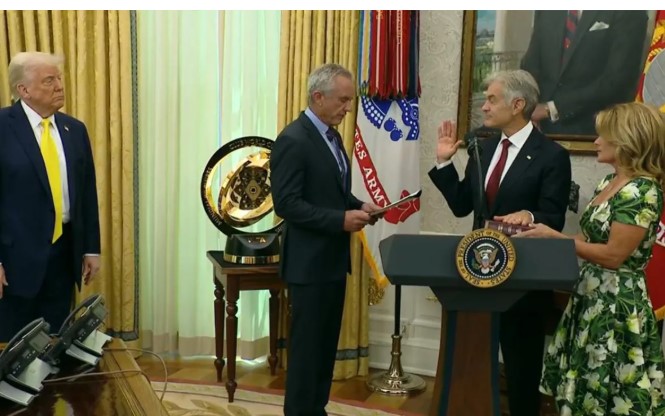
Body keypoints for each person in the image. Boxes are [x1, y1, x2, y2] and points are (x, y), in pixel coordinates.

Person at [428, 69, 572, 416]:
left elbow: (553, 218)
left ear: (518, 104)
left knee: (521, 369)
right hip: (477, 272)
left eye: (492, 99)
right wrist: (444, 162)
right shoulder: (484, 147)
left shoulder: (551, 155)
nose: (484, 106)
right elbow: (463, 205)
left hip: (523, 279)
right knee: (474, 362)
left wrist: (529, 215)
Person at [517, 102, 665, 415]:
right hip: (589, 295)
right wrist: (539, 234)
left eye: (602, 136)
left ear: (626, 140)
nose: (596, 141)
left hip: (617, 304)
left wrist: (555, 238)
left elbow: (613, 256)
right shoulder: (607, 183)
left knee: (611, 392)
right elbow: (586, 240)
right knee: (582, 384)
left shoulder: (642, 190)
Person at [270, 63, 381, 416]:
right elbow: (287, 204)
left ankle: (316, 410)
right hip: (308, 265)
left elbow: (331, 193)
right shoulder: (293, 139)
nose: (348, 108)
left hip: (332, 262)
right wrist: (340, 220)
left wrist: (358, 205)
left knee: (324, 349)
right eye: (343, 100)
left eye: (350, 100)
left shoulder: (331, 136)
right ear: (318, 97)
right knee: (306, 352)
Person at [0, 52, 101, 342]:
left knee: (53, 341)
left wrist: (91, 248)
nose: (59, 86)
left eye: (59, 78)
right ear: (24, 89)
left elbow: (86, 192)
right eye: (49, 80)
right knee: (14, 347)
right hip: (14, 260)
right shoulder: (3, 127)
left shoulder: (74, 130)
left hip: (63, 255)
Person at [521, 10, 648, 136]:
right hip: (538, 127)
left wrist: (552, 108)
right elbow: (531, 65)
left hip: (595, 131)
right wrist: (527, 110)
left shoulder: (629, 11)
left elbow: (617, 80)